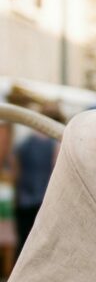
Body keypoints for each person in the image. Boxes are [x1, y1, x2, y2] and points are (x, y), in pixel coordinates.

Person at [13, 104, 64, 259]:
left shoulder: (24, 143)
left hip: (24, 200)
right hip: (47, 203)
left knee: (23, 245)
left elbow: (16, 172)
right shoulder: (57, 144)